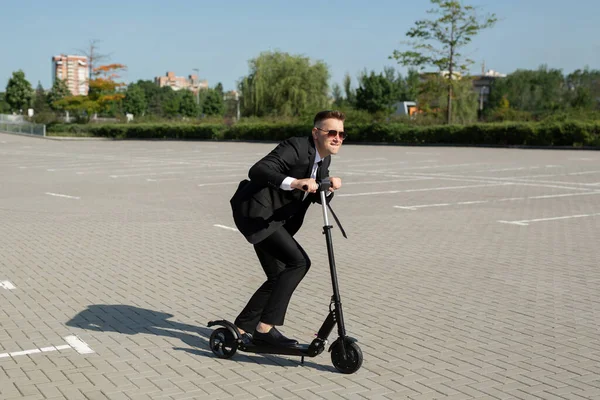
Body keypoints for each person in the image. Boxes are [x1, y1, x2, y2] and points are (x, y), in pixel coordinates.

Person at [229, 110, 347, 347]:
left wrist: (328, 188)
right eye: (331, 132)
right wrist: (294, 182)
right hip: (258, 215)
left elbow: (314, 195)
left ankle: (241, 327)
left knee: (278, 274)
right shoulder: (295, 147)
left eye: (342, 134)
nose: (337, 138)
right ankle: (265, 329)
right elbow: (257, 171)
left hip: (276, 220)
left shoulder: (324, 159)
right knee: (299, 262)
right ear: (316, 133)